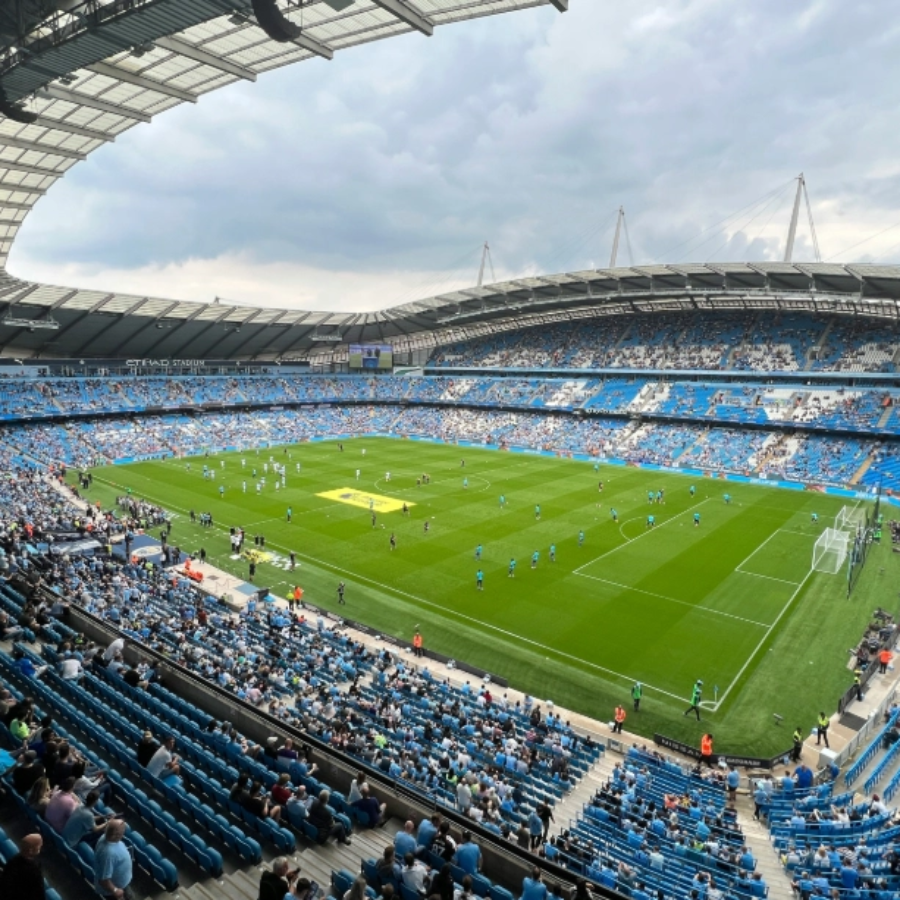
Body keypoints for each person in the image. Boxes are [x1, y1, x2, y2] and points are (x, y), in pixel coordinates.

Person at [94, 819, 133, 899]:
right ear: (118, 835)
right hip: (115, 891)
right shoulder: (109, 854)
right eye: (123, 831)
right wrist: (115, 890)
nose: (124, 833)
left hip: (122, 883)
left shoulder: (105, 837)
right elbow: (103, 880)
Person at [0, 833, 45, 900]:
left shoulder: (13, 860)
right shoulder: (34, 871)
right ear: (31, 850)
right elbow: (39, 894)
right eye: (39, 846)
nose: (40, 847)